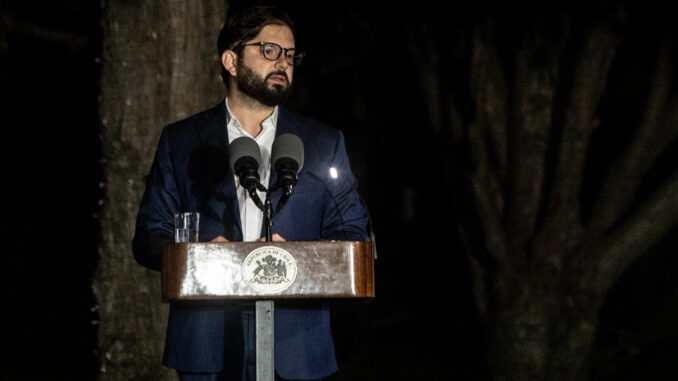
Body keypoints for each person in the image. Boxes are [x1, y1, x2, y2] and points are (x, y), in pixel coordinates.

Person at [132, 5, 368, 381]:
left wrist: (297, 258)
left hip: (296, 347)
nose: (283, 63)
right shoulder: (181, 142)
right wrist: (203, 259)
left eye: (290, 55)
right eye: (269, 51)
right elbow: (148, 235)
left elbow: (354, 237)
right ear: (231, 60)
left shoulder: (323, 143)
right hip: (206, 343)